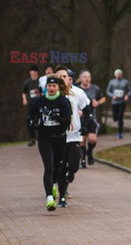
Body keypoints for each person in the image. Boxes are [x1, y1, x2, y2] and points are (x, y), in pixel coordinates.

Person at [28, 75, 72, 211]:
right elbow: (30, 116)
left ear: (58, 87)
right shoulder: (39, 101)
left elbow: (67, 122)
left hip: (59, 138)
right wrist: (33, 123)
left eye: (54, 86)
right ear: (46, 87)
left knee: (57, 167)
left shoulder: (63, 101)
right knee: (48, 167)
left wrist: (55, 116)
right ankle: (50, 198)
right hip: (44, 138)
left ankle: (53, 185)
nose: (51, 88)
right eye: (49, 86)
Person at [55, 66, 90, 208]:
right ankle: (62, 197)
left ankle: (71, 173)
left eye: (65, 77)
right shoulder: (52, 94)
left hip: (74, 136)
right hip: (59, 137)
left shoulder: (78, 93)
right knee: (61, 168)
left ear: (70, 79)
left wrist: (84, 124)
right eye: (60, 77)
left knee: (74, 165)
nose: (63, 80)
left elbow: (87, 109)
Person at [77, 70, 106, 167]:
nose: (87, 79)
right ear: (80, 78)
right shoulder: (76, 89)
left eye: (88, 77)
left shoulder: (95, 88)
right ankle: (83, 160)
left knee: (92, 139)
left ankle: (89, 152)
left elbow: (103, 98)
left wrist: (97, 103)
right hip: (80, 119)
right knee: (82, 140)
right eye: (84, 77)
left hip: (91, 118)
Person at [106, 69, 130, 139]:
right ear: (115, 74)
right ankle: (115, 119)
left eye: (120, 73)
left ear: (121, 74)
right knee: (115, 118)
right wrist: (112, 96)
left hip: (122, 102)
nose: (118, 75)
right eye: (117, 74)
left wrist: (127, 95)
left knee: (120, 117)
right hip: (114, 102)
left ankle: (120, 133)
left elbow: (130, 90)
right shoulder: (112, 82)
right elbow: (108, 91)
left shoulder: (125, 82)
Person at [22, 65, 41, 147]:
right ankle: (32, 138)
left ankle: (42, 138)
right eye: (31, 71)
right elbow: (24, 92)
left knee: (40, 121)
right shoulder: (27, 82)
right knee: (29, 121)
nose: (33, 73)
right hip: (31, 105)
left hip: (40, 104)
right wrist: (24, 99)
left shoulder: (40, 82)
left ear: (37, 72)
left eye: (34, 71)